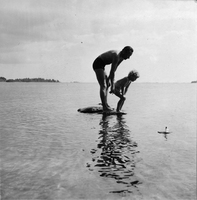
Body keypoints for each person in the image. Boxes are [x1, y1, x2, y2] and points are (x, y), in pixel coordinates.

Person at [92, 46, 133, 112]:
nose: (128, 58)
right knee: (103, 85)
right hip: (98, 63)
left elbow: (115, 69)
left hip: (102, 65)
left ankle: (105, 104)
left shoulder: (121, 58)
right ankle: (105, 107)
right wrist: (113, 85)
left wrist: (109, 79)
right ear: (124, 51)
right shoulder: (116, 55)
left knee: (107, 84)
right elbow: (112, 71)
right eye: (128, 55)